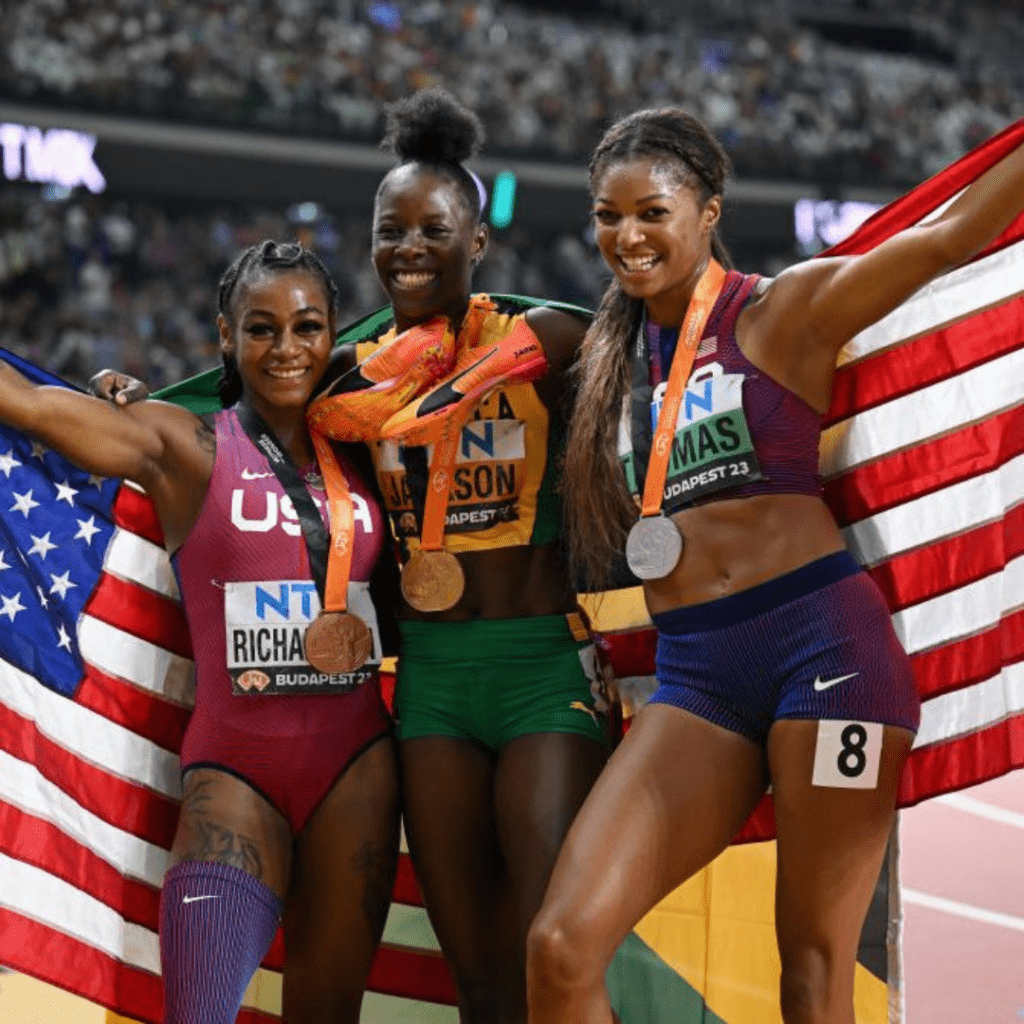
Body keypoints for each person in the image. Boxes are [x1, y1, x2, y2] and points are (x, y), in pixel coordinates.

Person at [524, 108, 1024, 1024]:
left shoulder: (785, 310)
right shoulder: (598, 357)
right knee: (561, 947)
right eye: (607, 215)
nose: (626, 237)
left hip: (824, 656)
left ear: (708, 212)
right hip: (699, 679)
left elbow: (951, 238)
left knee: (813, 970)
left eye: (652, 211)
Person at [0, 240, 401, 1024]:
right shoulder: (183, 445)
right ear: (226, 335)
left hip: (358, 770)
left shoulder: (373, 450)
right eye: (262, 329)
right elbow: (30, 406)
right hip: (233, 778)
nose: (286, 349)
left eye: (307, 327)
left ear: (332, 338)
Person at [307, 87, 613, 1024]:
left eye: (433, 229)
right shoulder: (350, 382)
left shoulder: (548, 340)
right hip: (431, 680)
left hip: (538, 667)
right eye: (389, 229)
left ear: (476, 243)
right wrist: (126, 392)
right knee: (477, 978)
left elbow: (643, 354)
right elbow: (234, 412)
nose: (408, 248)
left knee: (551, 948)